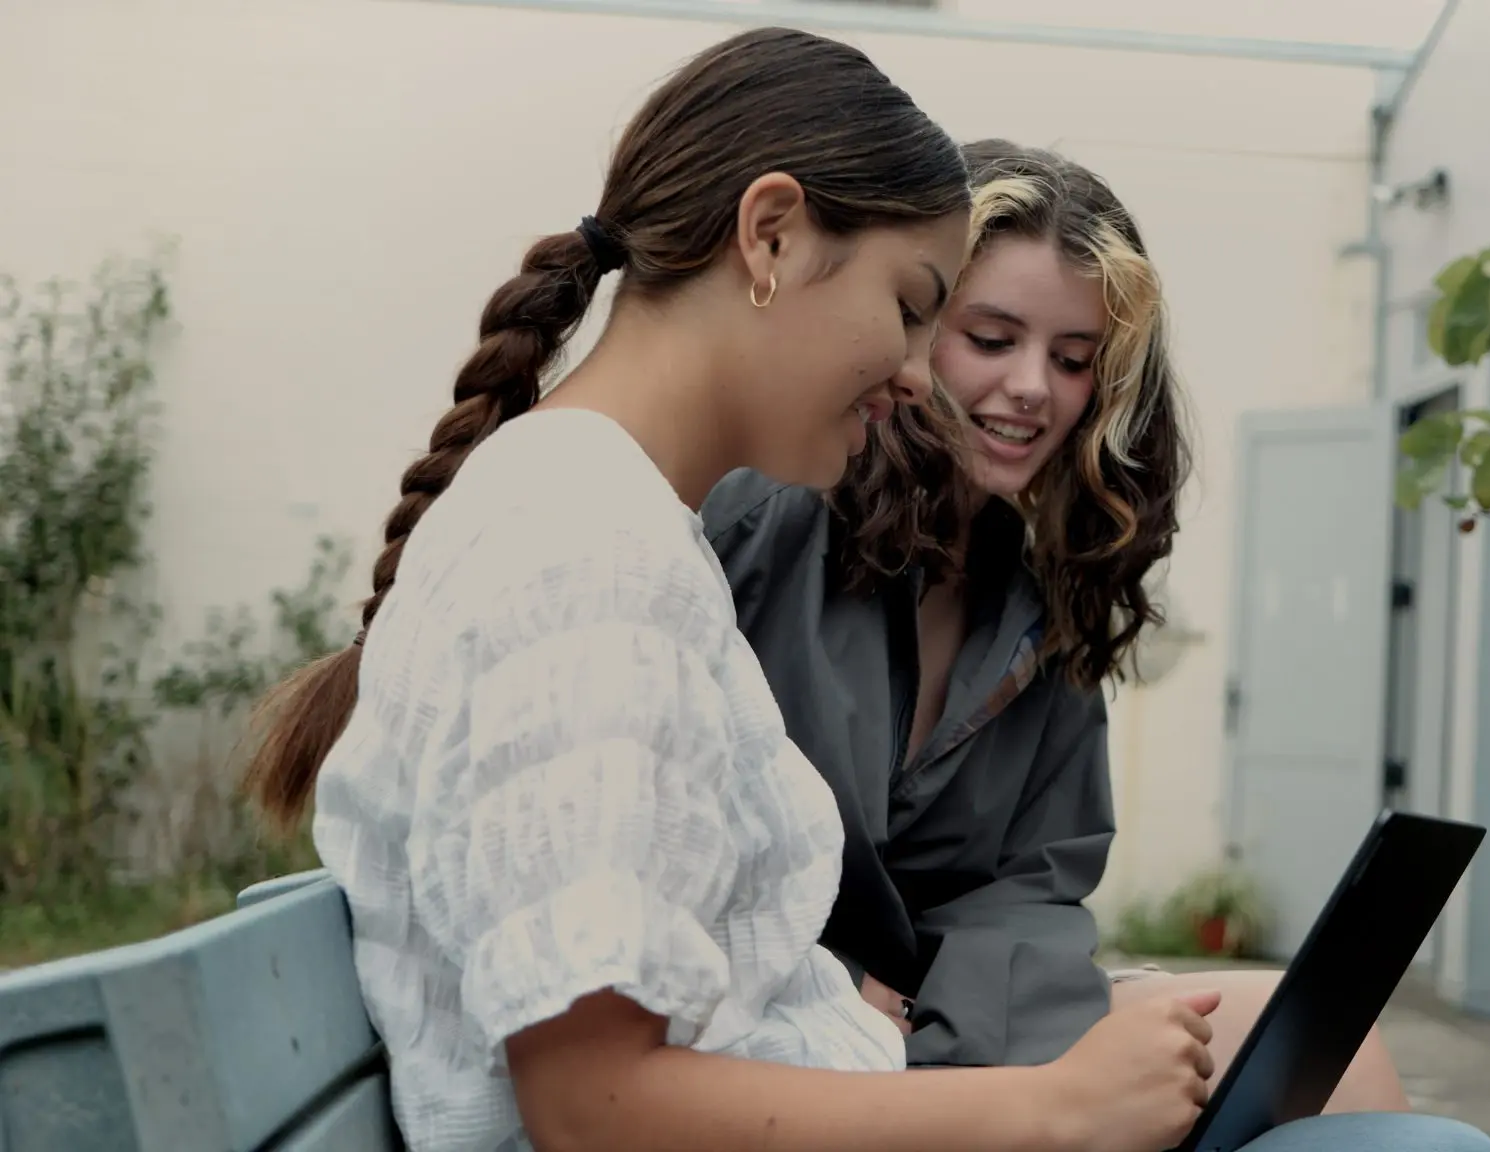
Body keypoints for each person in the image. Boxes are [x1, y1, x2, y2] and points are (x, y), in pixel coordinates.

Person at [239, 31, 1248, 1152]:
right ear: (768, 238)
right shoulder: (587, 552)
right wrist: (1049, 1108)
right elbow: (591, 1109)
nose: (917, 375)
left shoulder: (617, 528)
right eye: (916, 307)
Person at [704, 142, 1490, 1146]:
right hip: (774, 1024)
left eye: (1073, 359)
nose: (1032, 387)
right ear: (907, 325)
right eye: (989, 338)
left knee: (1344, 1059)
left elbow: (1030, 883)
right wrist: (851, 989)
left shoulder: (1044, 601)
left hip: (942, 1023)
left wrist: (1001, 1031)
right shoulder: (769, 517)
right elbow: (696, 821)